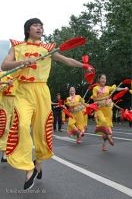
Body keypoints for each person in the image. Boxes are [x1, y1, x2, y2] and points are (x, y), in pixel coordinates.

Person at [1, 18, 94, 190]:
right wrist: (21, 62)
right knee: (21, 126)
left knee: (41, 130)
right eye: (36, 25)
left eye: (41, 26)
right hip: (23, 92)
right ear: (28, 29)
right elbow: (5, 65)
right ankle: (28, 167)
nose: (39, 28)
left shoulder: (48, 49)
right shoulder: (17, 46)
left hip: (42, 92)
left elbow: (66, 60)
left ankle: (39, 161)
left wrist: (84, 65)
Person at [91, 73, 128, 151]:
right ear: (99, 79)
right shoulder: (96, 88)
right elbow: (95, 99)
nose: (104, 80)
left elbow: (116, 89)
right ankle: (108, 137)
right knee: (104, 122)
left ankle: (104, 145)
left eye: (105, 78)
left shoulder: (108, 88)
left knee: (107, 128)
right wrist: (105, 97)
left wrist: (124, 88)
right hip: (99, 109)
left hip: (108, 110)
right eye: (102, 78)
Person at [0, 73, 18, 163]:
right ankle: (4, 153)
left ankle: (13, 151)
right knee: (5, 126)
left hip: (18, 100)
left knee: (16, 127)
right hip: (5, 100)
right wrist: (6, 83)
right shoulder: (2, 74)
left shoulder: (20, 73)